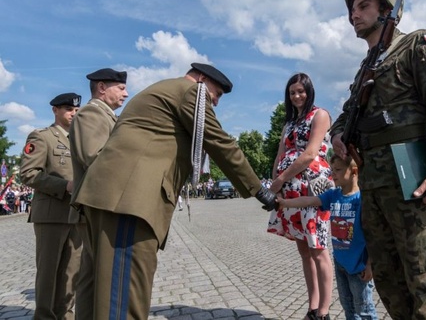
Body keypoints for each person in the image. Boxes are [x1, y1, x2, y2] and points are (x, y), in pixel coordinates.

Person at [70, 62, 277, 319]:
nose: (216, 102)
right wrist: (260, 190)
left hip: (109, 198)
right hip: (129, 202)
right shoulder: (191, 92)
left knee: (96, 293)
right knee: (122, 301)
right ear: (201, 79)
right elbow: (220, 143)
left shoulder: (164, 90)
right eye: (217, 94)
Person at [329, 0, 426, 319]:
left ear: (388, 10)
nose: (354, 15)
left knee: (425, 285)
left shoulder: (419, 45)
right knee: (390, 284)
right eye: (351, 10)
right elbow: (347, 114)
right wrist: (336, 134)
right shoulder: (366, 68)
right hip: (374, 191)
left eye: (363, 6)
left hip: (414, 186)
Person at [277, 154, 378, 320]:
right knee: (348, 308)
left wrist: (370, 265)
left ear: (354, 171)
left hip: (358, 266)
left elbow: (373, 235)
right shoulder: (333, 195)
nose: (333, 174)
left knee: (364, 310)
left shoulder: (361, 199)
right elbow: (309, 201)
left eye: (338, 170)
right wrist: (285, 203)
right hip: (341, 264)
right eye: (332, 170)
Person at [267, 73, 333, 320]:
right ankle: (312, 307)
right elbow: (280, 154)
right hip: (291, 189)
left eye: (300, 91)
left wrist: (281, 179)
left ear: (309, 91)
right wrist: (276, 183)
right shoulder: (289, 124)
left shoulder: (320, 115)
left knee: (318, 248)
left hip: (312, 186)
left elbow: (310, 153)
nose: (296, 96)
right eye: (292, 92)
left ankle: (324, 311)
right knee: (304, 250)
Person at [69, 68, 128, 319]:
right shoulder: (93, 113)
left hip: (98, 207)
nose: (126, 93)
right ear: (102, 88)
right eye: (121, 87)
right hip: (96, 207)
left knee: (92, 276)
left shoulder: (108, 116)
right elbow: (94, 156)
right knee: (97, 277)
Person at [20, 93, 83, 319]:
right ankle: (45, 316)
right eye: (68, 108)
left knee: (71, 272)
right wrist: (64, 185)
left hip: (76, 214)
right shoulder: (42, 137)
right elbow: (28, 174)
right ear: (55, 110)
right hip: (51, 214)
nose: (73, 113)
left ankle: (64, 314)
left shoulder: (80, 139)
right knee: (48, 272)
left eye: (76, 109)